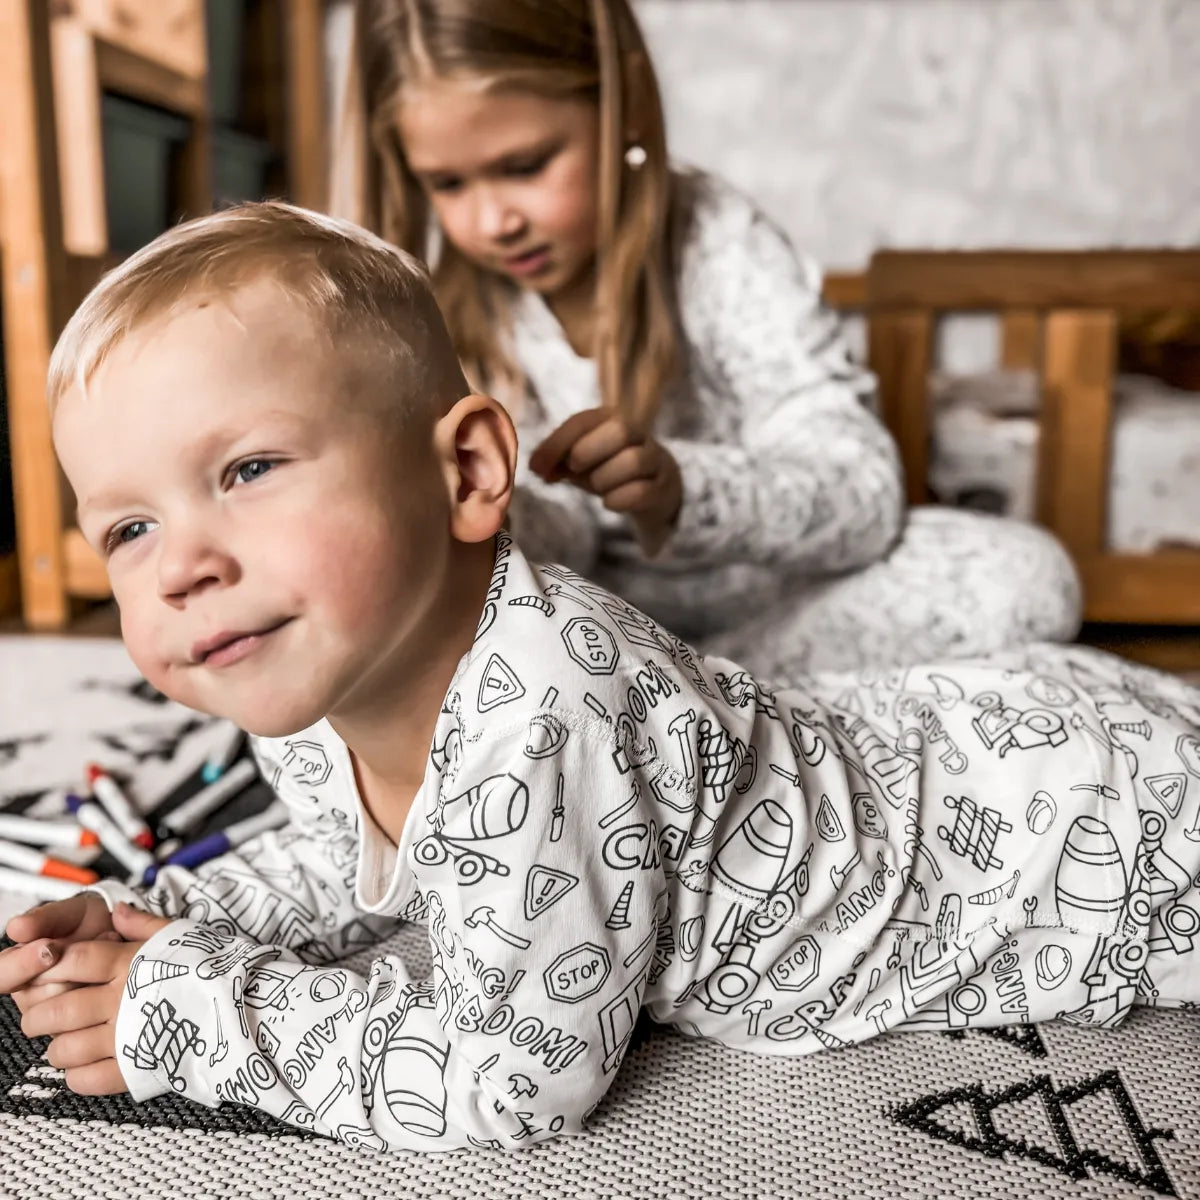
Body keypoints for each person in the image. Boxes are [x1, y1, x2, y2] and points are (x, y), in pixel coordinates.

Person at [2, 204, 1197, 1154]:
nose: (183, 569)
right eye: (126, 531)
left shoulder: (547, 698)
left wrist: (194, 1012)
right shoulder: (304, 669)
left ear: (471, 471)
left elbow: (514, 1081)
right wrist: (155, 919)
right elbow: (348, 847)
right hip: (941, 736)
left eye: (249, 467)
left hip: (1085, 826)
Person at [331, 0, 1083, 680]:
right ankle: (695, 711)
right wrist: (487, 506)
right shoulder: (439, 301)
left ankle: (683, 714)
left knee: (1024, 579)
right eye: (448, 185)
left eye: (525, 167)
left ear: (621, 102)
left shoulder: (721, 243)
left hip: (777, 611)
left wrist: (684, 490)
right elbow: (551, 553)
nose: (494, 221)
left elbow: (864, 495)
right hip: (585, 633)